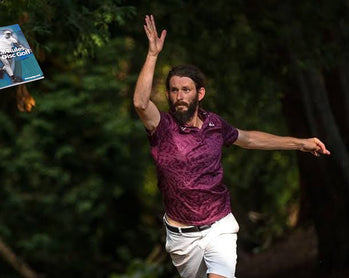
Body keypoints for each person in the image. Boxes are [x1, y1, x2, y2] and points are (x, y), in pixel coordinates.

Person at [133, 15, 331, 278]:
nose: (179, 96)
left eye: (186, 90)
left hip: (219, 226)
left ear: (199, 94)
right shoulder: (162, 127)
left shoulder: (214, 124)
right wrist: (152, 54)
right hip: (182, 238)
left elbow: (247, 138)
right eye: (174, 90)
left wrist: (299, 143)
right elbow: (140, 103)